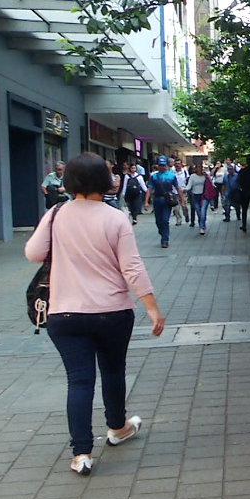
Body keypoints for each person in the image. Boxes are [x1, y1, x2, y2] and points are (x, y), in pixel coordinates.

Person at [25, 152, 165, 475]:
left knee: (79, 381)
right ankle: (117, 428)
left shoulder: (56, 213)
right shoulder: (114, 218)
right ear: (105, 181)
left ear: (69, 181)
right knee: (113, 371)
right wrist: (151, 308)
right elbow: (131, 267)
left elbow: (33, 254)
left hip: (65, 315)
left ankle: (82, 454)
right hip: (112, 312)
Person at [144, 156, 181, 248]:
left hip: (167, 201)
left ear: (166, 165)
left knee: (165, 220)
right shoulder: (154, 176)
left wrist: (182, 200)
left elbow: (177, 187)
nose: (162, 167)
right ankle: (162, 231)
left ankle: (165, 239)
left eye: (163, 165)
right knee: (158, 221)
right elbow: (149, 189)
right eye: (160, 165)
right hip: (157, 200)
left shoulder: (172, 176)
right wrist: (146, 202)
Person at [185, 165, 212, 235]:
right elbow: (189, 186)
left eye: (200, 167)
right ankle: (202, 223)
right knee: (198, 212)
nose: (199, 169)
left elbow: (210, 183)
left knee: (203, 211)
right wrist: (184, 190)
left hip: (204, 196)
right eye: (197, 167)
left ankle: (202, 227)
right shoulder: (192, 176)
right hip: (195, 196)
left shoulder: (205, 176)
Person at [171, 162, 189, 226]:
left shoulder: (185, 172)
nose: (177, 165)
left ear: (181, 165)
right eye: (176, 164)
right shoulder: (172, 172)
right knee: (176, 208)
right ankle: (178, 219)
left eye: (179, 164)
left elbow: (188, 181)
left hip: (183, 191)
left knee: (184, 206)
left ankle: (186, 214)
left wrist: (186, 188)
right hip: (174, 192)